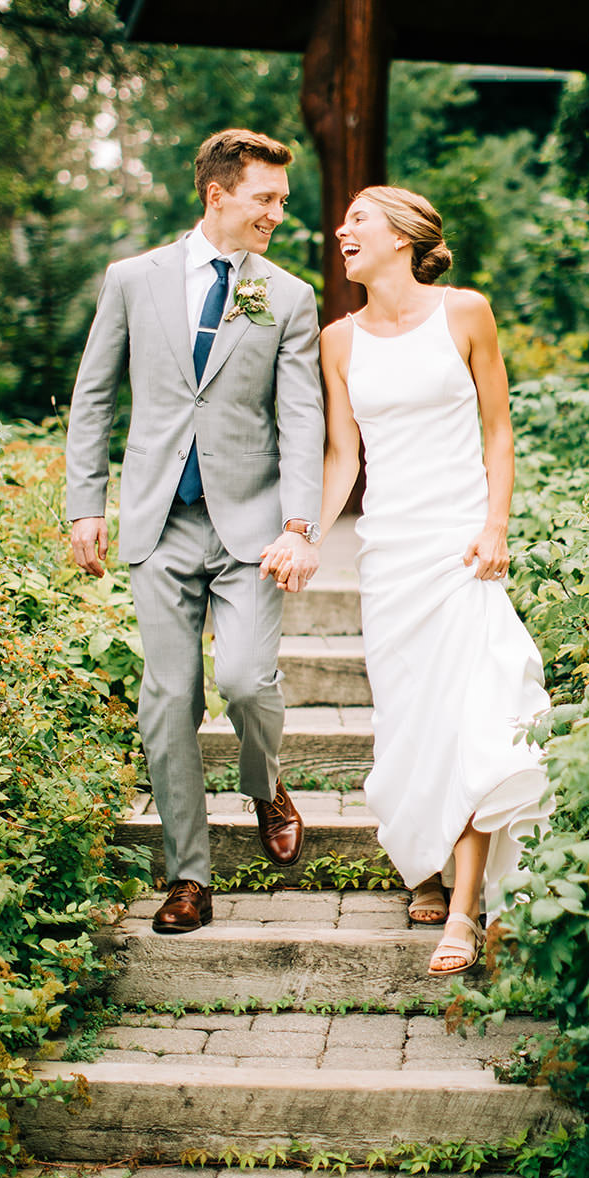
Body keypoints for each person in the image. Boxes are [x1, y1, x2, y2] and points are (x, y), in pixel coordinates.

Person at [275, 184, 549, 975]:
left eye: (355, 220)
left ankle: (461, 912)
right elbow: (343, 457)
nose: (340, 231)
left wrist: (494, 526)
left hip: (461, 550)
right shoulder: (337, 340)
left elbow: (498, 432)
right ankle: (424, 864)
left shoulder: (466, 312)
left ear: (401, 235)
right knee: (409, 727)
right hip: (389, 556)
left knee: (474, 718)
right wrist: (306, 537)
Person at [66, 128, 324, 935]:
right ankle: (188, 876)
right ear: (218, 195)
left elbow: (301, 413)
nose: (278, 214)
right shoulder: (132, 280)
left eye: (281, 200)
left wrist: (300, 523)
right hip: (157, 521)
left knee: (247, 681)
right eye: (265, 199)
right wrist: (86, 503)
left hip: (250, 525)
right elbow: (96, 395)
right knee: (169, 696)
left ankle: (264, 783)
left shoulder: (283, 294)